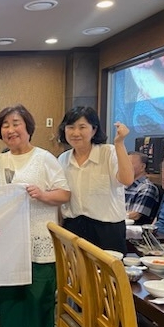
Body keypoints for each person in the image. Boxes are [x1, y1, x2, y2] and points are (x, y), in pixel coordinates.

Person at [0, 104, 70, 327]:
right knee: (11, 294)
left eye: (16, 123)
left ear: (28, 127)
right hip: (9, 240)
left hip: (40, 238)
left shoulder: (45, 159)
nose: (11, 129)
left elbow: (64, 194)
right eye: (5, 125)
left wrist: (42, 194)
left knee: (40, 295)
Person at [57, 106, 134, 254]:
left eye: (82, 127)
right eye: (70, 127)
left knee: (109, 269)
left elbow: (127, 179)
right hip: (73, 227)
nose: (76, 133)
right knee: (75, 269)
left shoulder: (109, 152)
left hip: (107, 229)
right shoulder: (63, 159)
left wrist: (119, 143)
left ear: (94, 130)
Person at [125, 151, 159, 224]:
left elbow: (136, 215)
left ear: (142, 167)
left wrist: (115, 216)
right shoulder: (122, 185)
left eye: (129, 164)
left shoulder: (147, 187)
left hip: (134, 227)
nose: (125, 167)